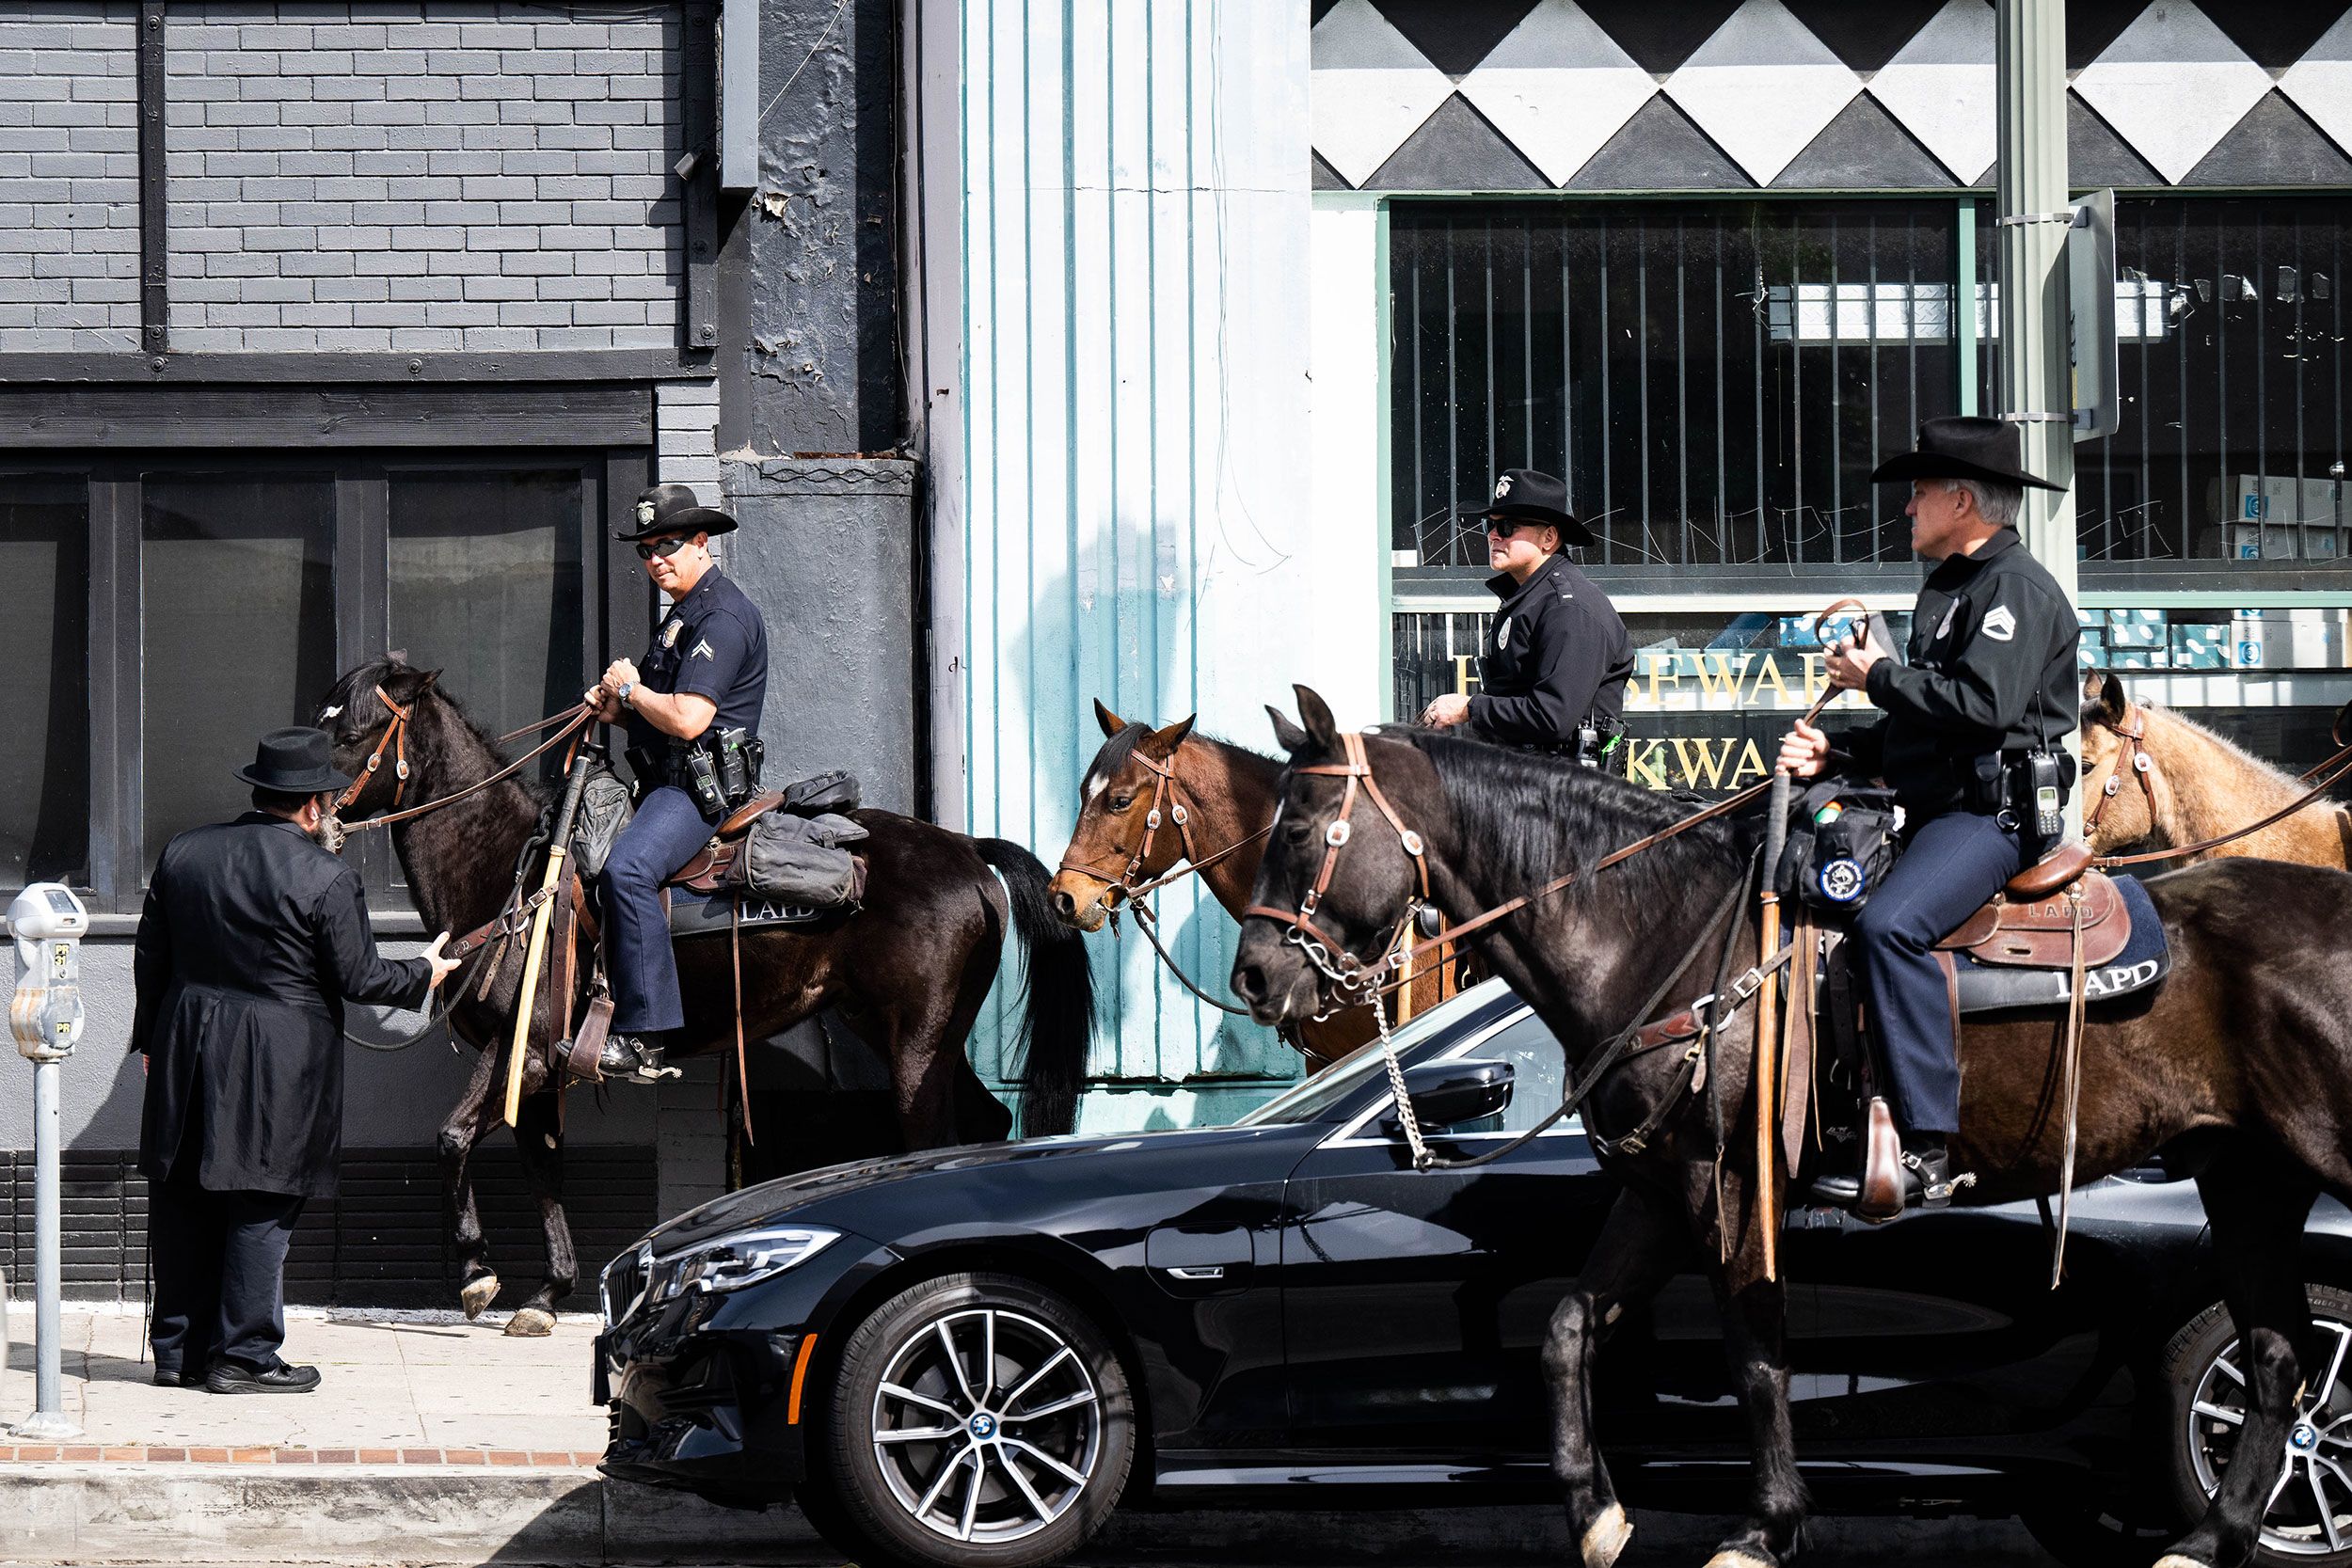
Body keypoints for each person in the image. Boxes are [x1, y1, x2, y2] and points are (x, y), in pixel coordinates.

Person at [1782, 417, 2080, 1212]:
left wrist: (1876, 675)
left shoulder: (2013, 586)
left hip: (1995, 817)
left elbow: (1983, 707)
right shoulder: (1953, 584)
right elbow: (1926, 723)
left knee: (1891, 926)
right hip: (1940, 807)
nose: (1907, 507)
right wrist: (1838, 755)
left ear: (1961, 498)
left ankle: (1928, 1146)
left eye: (1918, 492)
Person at [135, 727, 463, 1393]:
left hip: (187, 1041)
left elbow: (152, 958)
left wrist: (147, 1040)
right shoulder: (326, 875)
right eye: (330, 802)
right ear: (314, 806)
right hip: (276, 1058)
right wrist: (423, 973)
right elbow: (361, 976)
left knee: (186, 1196)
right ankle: (245, 1356)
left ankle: (178, 1352)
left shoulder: (184, 852)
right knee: (262, 1199)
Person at [586, 483, 771, 1084]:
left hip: (698, 792)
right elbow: (657, 711)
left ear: (700, 542)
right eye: (645, 551)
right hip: (664, 780)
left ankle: (645, 1038)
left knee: (627, 870)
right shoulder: (684, 613)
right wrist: (616, 706)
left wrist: (630, 689)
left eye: (666, 545)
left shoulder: (722, 615)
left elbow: (690, 718)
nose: (655, 560)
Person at [1419, 467, 1633, 767]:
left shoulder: (1568, 609)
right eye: (1488, 526)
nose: (1493, 535)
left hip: (1567, 798)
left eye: (1507, 527)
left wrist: (1469, 708)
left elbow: (1552, 716)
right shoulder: (1529, 599)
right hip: (1525, 783)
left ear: (1549, 537)